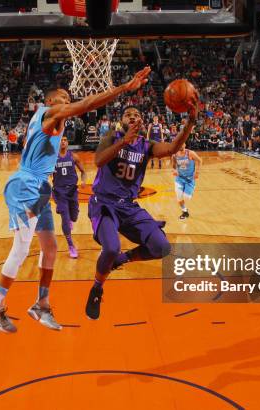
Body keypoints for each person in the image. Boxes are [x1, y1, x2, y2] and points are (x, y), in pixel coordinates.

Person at [0, 67, 152, 333]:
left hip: (40, 188)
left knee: (50, 248)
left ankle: (41, 304)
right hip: (25, 184)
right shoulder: (48, 113)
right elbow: (86, 104)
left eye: (68, 98)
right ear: (50, 102)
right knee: (22, 248)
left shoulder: (54, 123)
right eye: (63, 97)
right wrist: (124, 88)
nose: (67, 101)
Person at [85, 98, 199, 320]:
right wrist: (124, 142)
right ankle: (97, 288)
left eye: (137, 114)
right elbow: (98, 160)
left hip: (128, 207)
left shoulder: (147, 146)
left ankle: (124, 259)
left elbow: (173, 148)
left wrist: (190, 122)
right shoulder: (111, 137)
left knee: (162, 247)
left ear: (142, 121)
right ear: (121, 121)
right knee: (110, 248)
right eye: (128, 114)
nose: (133, 116)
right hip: (104, 203)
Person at [52, 136, 87, 258]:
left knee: (74, 217)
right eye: (61, 140)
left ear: (67, 143)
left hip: (72, 191)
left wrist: (83, 182)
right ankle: (71, 246)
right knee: (65, 220)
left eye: (65, 140)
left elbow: (83, 172)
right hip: (59, 193)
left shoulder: (73, 156)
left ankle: (70, 219)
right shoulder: (52, 159)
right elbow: (44, 174)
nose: (62, 141)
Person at [172, 143, 201, 219]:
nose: (181, 145)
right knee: (179, 197)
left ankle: (192, 188)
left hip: (189, 179)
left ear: (185, 145)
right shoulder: (174, 155)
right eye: (179, 144)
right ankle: (184, 211)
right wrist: (174, 170)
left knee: (186, 197)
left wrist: (197, 172)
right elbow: (174, 165)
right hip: (179, 178)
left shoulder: (190, 153)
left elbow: (199, 161)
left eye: (182, 144)